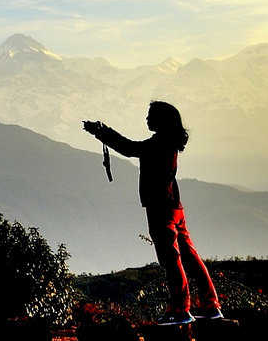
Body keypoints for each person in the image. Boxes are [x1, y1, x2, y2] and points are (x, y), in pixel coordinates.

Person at [83, 101, 222, 325]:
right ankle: (211, 304)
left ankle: (180, 308)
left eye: (150, 116)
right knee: (189, 256)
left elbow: (129, 148)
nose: (146, 119)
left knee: (171, 258)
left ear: (160, 120)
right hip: (175, 205)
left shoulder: (158, 144)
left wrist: (102, 133)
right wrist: (103, 132)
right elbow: (132, 148)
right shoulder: (169, 143)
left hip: (160, 208)